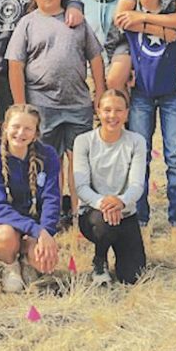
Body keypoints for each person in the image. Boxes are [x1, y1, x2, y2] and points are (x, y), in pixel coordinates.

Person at [6, 0, 104, 229]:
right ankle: (52, 214)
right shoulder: (27, 23)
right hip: (42, 105)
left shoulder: (77, 22)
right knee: (50, 163)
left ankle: (78, 213)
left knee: (79, 162)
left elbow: (95, 58)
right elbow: (15, 65)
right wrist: (20, 106)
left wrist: (100, 93)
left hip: (78, 104)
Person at [106, 0, 176, 229]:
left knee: (175, 155)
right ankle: (139, 216)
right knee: (140, 154)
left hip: (172, 94)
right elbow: (119, 28)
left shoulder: (174, 10)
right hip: (141, 93)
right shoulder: (127, 13)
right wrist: (157, 31)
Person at [0, 104, 61, 293]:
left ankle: (28, 261)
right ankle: (11, 266)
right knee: (5, 237)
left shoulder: (48, 156)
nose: (20, 133)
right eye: (16, 126)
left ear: (35, 133)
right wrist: (36, 231)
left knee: (44, 262)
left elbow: (52, 198)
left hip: (36, 230)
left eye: (28, 128)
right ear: (5, 128)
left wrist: (46, 233)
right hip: (5, 227)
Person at [74, 89, 147, 285]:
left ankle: (120, 252)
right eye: (107, 110)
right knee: (105, 224)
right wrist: (103, 202)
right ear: (97, 111)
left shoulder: (137, 141)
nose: (112, 116)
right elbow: (81, 187)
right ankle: (100, 260)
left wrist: (120, 202)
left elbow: (137, 184)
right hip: (94, 215)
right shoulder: (83, 141)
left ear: (127, 112)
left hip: (125, 213)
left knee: (133, 277)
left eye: (118, 110)